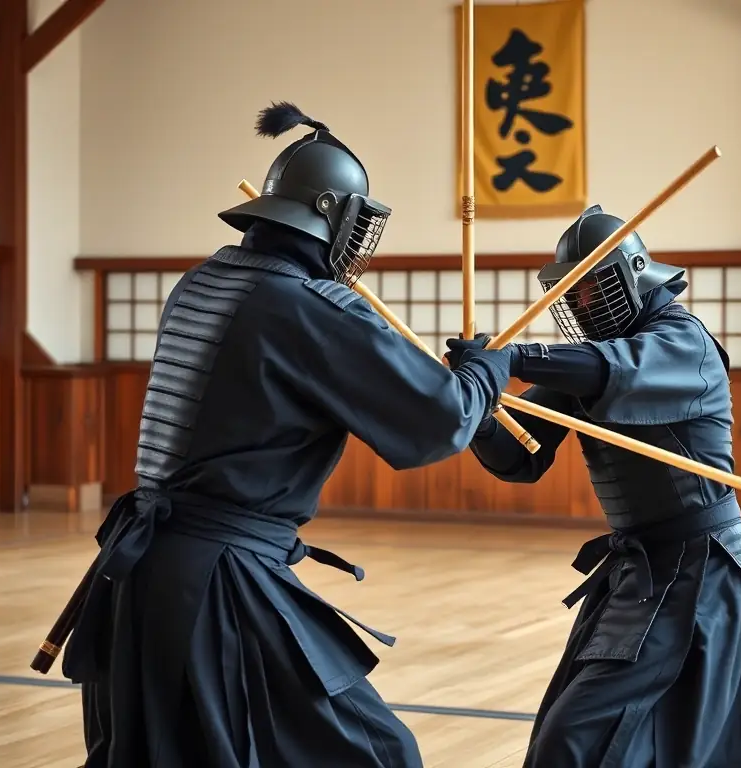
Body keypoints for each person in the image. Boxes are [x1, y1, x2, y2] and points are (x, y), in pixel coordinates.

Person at [61, 101, 514, 768]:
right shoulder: (302, 307)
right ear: (332, 214)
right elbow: (438, 420)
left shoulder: (203, 281)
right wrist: (484, 369)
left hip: (143, 568)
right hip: (217, 583)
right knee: (377, 755)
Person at [443, 205, 741, 767]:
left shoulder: (680, 342)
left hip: (705, 571)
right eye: (573, 294)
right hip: (643, 571)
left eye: (593, 288)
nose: (583, 305)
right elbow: (521, 456)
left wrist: (511, 358)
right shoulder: (588, 360)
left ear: (632, 272)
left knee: (592, 735)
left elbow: (616, 368)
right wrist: (478, 404)